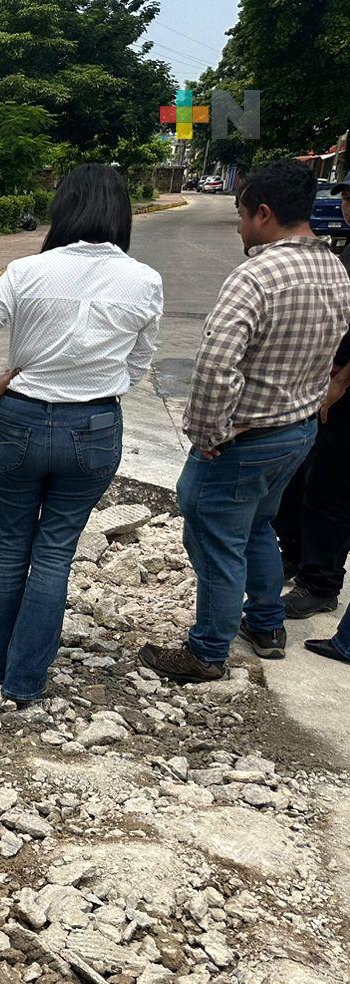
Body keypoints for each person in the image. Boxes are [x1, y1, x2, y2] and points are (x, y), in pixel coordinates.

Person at [0, 164, 163, 704]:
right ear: (122, 212)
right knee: (54, 554)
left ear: (62, 208)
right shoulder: (144, 280)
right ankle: (25, 683)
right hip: (93, 427)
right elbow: (139, 366)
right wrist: (98, 385)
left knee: (11, 547)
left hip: (20, 418)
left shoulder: (28, 271)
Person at [141, 159, 350, 682]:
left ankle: (207, 651)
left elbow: (216, 364)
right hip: (298, 430)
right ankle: (265, 623)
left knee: (213, 537)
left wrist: (208, 436)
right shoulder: (334, 267)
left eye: (239, 213)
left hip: (245, 436)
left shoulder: (257, 274)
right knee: (258, 525)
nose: (237, 226)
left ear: (263, 212)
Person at [274, 177, 350, 619]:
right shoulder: (339, 255)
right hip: (320, 388)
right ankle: (294, 556)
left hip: (340, 394)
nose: (343, 202)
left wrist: (341, 381)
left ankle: (320, 582)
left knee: (331, 492)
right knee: (302, 479)